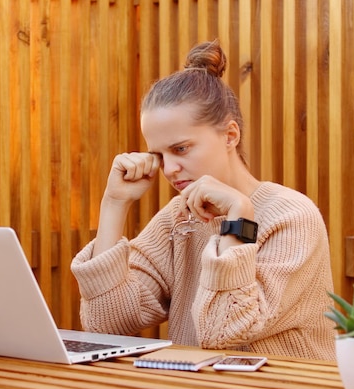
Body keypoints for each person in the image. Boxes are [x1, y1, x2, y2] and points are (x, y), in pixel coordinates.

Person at [71, 39, 336, 360]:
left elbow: (225, 330)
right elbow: (105, 323)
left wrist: (239, 219)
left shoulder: (292, 216)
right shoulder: (178, 217)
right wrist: (114, 204)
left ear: (230, 135)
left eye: (181, 149)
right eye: (158, 154)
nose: (169, 169)